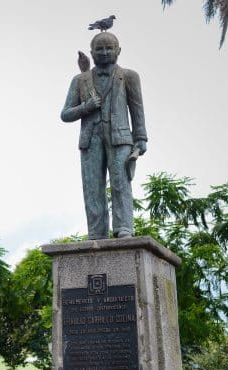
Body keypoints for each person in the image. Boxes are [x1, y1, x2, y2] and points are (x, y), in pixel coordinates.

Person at [61, 31, 147, 240]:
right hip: (91, 140)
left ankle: (124, 227)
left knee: (121, 183)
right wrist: (86, 107)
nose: (105, 52)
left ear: (118, 50)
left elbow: (137, 109)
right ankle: (97, 232)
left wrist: (141, 137)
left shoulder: (129, 76)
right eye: (99, 49)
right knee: (92, 188)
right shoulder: (80, 80)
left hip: (120, 138)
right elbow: (65, 114)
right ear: (92, 52)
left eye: (109, 48)